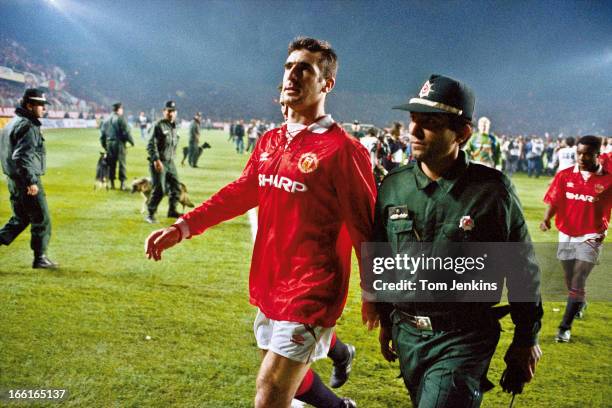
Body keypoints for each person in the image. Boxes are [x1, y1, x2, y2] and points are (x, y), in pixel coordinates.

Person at [145, 37, 376, 408]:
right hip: (271, 280)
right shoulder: (271, 140)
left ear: (326, 84)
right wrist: (182, 227)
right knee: (287, 378)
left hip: (312, 289)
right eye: (289, 67)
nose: (292, 75)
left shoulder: (344, 150)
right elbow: (241, 191)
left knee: (269, 391)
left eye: (306, 69)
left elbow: (366, 228)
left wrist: (373, 293)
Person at [370, 74, 543, 407]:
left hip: (463, 339)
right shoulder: (394, 185)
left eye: (430, 123)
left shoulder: (492, 191)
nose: (414, 131)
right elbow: (383, 257)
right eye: (413, 120)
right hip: (408, 335)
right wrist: (387, 318)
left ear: (462, 133)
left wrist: (526, 337)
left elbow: (522, 268)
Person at [540, 135, 611, 343]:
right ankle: (580, 301)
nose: (581, 157)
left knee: (579, 278)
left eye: (587, 154)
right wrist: (546, 219)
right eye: (579, 153)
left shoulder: (608, 178)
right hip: (567, 231)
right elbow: (555, 200)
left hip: (593, 233)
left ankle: (564, 328)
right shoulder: (564, 175)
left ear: (598, 155)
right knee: (569, 276)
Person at [0, 88, 58, 268]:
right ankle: (40, 258)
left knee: (21, 218)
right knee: (41, 218)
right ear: (29, 105)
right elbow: (21, 157)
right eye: (40, 105)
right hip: (25, 180)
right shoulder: (28, 125)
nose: (43, 109)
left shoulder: (13, 122)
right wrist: (31, 181)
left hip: (13, 179)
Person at [145, 100, 182, 223]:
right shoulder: (158, 125)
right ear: (164, 112)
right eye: (168, 111)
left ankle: (172, 211)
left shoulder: (175, 126)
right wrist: (156, 160)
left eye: (173, 111)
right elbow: (151, 144)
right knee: (160, 189)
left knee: (176, 187)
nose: (171, 114)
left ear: (176, 113)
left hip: (170, 162)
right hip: (159, 162)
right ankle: (150, 213)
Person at [100, 102, 135, 190]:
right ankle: (122, 184)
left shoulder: (106, 120)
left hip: (109, 143)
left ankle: (112, 183)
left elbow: (102, 135)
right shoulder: (120, 119)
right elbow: (126, 132)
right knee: (122, 163)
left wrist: (105, 146)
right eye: (122, 109)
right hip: (119, 143)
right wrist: (131, 141)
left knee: (111, 164)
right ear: (119, 109)